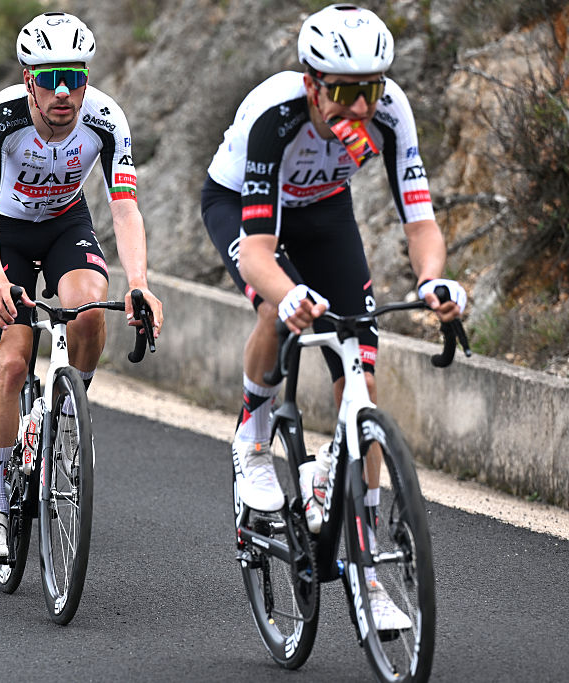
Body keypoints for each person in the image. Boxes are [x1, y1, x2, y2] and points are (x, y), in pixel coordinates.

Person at [199, 4, 467, 630]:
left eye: (368, 92)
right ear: (312, 83)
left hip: (322, 210)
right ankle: (253, 438)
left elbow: (420, 219)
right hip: (243, 205)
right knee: (274, 307)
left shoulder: (391, 112)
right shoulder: (276, 115)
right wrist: (290, 293)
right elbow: (261, 253)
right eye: (343, 92)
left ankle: (367, 574)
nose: (357, 108)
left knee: (364, 388)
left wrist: (433, 279)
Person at [0, 12, 163, 560]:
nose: (62, 91)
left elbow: (125, 211)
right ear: (28, 79)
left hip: (64, 223)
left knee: (89, 311)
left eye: (74, 77)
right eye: (49, 77)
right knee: (10, 361)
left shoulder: (105, 118)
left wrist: (140, 283)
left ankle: (63, 411)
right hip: (6, 231)